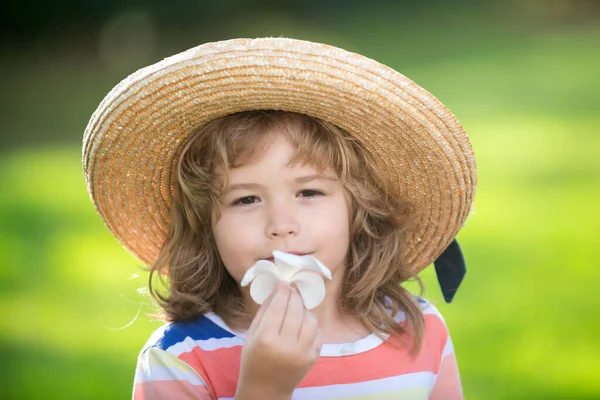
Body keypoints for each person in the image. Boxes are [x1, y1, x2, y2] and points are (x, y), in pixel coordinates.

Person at [83, 37, 476, 400]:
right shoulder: (182, 358)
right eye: (246, 199)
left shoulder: (418, 329)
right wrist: (262, 388)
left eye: (309, 192)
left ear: (360, 211)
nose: (281, 224)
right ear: (207, 226)